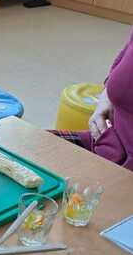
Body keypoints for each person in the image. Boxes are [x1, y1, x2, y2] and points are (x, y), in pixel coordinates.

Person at [50, 29, 133, 171]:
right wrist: (105, 101)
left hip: (121, 170)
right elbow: (118, 71)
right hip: (106, 144)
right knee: (20, 147)